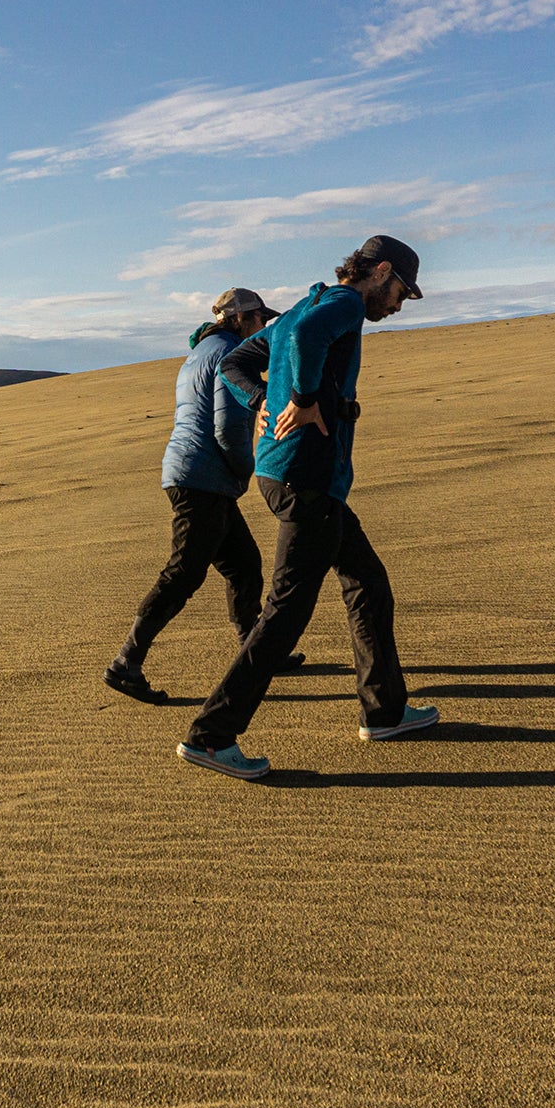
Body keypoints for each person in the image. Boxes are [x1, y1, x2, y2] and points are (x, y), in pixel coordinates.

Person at [174, 235, 433, 780]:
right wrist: (302, 400)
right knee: (286, 612)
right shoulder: (338, 306)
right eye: (401, 291)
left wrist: (259, 399)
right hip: (306, 478)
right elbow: (307, 342)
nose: (399, 303)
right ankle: (211, 736)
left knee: (367, 581)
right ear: (380, 271)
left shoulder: (304, 305)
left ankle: (384, 711)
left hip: (290, 475)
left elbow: (237, 362)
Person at [104, 289, 300, 703]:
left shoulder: (198, 352)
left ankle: (256, 650)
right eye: (260, 319)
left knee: (244, 564)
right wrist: (249, 470)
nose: (263, 327)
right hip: (202, 477)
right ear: (242, 318)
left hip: (194, 473)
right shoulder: (228, 353)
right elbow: (228, 427)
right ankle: (127, 662)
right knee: (184, 572)